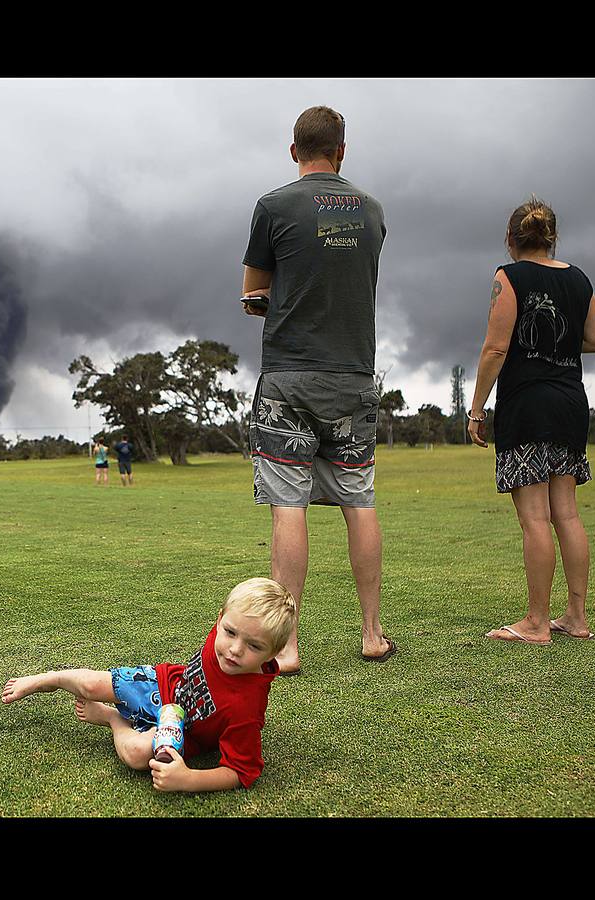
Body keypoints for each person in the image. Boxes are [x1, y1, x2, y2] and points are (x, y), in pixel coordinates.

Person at [241, 105, 393, 674]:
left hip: (289, 374)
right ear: (342, 151)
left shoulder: (273, 206)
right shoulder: (373, 211)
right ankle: (373, 633)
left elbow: (253, 292)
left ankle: (287, 646)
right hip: (354, 375)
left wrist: (280, 296)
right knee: (360, 500)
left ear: (293, 150)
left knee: (289, 505)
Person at [2, 577, 295, 792]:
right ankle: (50, 679)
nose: (234, 649)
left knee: (136, 755)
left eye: (254, 646)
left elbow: (241, 771)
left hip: (183, 729)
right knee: (91, 684)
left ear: (272, 653)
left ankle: (111, 718)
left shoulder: (246, 708)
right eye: (230, 632)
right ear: (219, 620)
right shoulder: (229, 629)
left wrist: (189, 779)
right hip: (163, 684)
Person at [467, 196, 595, 645]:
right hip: (570, 404)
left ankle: (537, 622)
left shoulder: (509, 277)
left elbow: (495, 348)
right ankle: (576, 617)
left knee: (534, 520)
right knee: (566, 513)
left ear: (510, 239)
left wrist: (476, 409)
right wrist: (560, 342)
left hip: (528, 405)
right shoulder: (580, 279)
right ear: (551, 238)